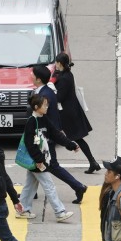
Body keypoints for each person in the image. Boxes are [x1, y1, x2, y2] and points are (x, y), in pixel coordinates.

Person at [32, 64, 87, 203]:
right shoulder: (46, 91)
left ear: (38, 79)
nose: (30, 76)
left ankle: (78, 186)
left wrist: (65, 142)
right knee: (34, 165)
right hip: (45, 137)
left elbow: (49, 121)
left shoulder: (44, 95)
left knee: (52, 166)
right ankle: (31, 193)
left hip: (45, 139)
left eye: (33, 75)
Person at [17, 94, 75, 222]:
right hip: (37, 161)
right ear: (36, 107)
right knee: (49, 186)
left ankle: (22, 209)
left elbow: (55, 134)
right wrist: (38, 160)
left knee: (30, 186)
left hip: (39, 160)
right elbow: (29, 144)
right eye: (45, 105)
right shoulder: (31, 122)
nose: (47, 107)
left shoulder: (44, 118)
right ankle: (60, 212)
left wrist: (70, 145)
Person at [54, 53, 102, 174]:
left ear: (60, 63)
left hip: (68, 113)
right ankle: (92, 162)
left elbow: (59, 97)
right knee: (76, 138)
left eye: (56, 62)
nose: (55, 64)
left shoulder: (65, 78)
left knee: (58, 136)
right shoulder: (66, 74)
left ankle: (92, 162)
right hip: (71, 111)